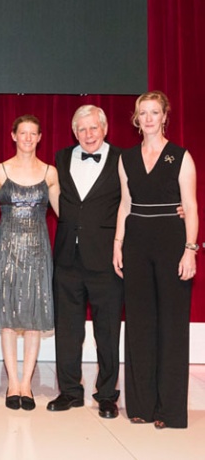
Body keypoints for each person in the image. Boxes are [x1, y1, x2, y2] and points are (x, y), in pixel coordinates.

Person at [113, 91, 198, 429]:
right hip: (135, 244)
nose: (148, 118)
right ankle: (142, 405)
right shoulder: (127, 158)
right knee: (139, 325)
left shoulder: (180, 156)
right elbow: (124, 204)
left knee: (172, 326)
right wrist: (117, 243)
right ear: (136, 118)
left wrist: (190, 249)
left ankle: (169, 410)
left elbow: (190, 206)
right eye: (143, 112)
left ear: (165, 117)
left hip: (171, 243)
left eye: (155, 112)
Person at [47, 105, 123, 419]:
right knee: (67, 330)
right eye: (82, 129)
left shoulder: (122, 159)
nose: (88, 135)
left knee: (107, 331)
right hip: (66, 257)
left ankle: (107, 395)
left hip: (107, 259)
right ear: (74, 131)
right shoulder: (61, 158)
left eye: (93, 128)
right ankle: (69, 391)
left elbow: (133, 201)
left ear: (104, 128)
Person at [0, 114, 59, 411]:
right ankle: (12, 383)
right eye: (23, 133)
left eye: (34, 133)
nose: (28, 138)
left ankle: (26, 384)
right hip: (6, 249)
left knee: (33, 319)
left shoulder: (50, 172)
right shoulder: (0, 169)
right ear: (13, 136)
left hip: (38, 251)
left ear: (40, 137)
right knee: (6, 317)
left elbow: (66, 211)